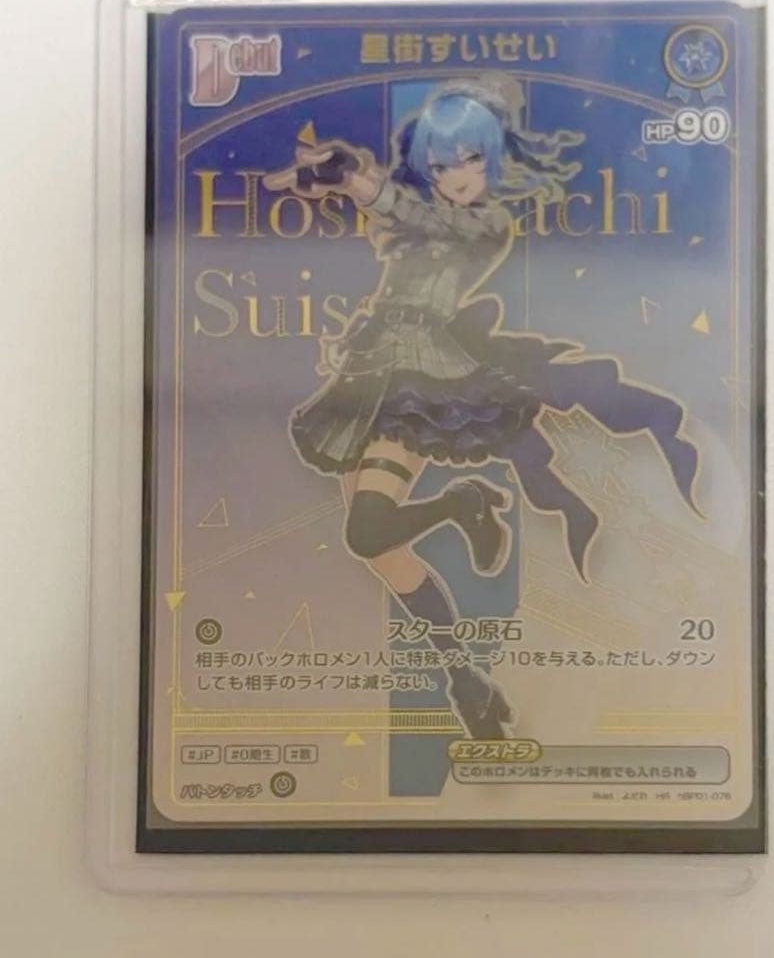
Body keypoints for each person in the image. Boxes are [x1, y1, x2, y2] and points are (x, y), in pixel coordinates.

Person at [264, 76, 700, 738]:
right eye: (442, 164)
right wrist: (337, 177)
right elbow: (396, 213)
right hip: (368, 371)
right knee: (382, 553)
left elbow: (420, 216)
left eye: (471, 158)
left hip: (416, 377)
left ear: (494, 159)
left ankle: (461, 503)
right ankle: (466, 681)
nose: (458, 174)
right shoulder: (413, 220)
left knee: (367, 530)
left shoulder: (487, 225)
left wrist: (357, 181)